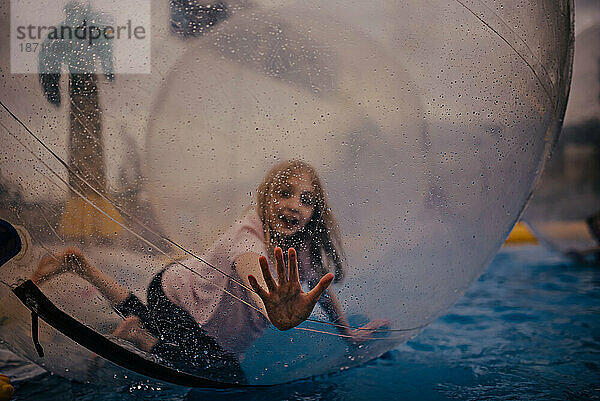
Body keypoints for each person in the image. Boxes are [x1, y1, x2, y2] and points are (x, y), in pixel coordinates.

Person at [32, 160, 386, 382]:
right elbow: (254, 278)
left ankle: (81, 266)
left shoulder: (302, 247)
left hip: (183, 290)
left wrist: (349, 336)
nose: (294, 205)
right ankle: (140, 336)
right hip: (177, 297)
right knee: (222, 375)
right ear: (266, 198)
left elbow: (321, 289)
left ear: (314, 212)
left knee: (165, 328)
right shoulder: (248, 237)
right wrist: (271, 311)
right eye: (285, 194)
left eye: (306, 200)